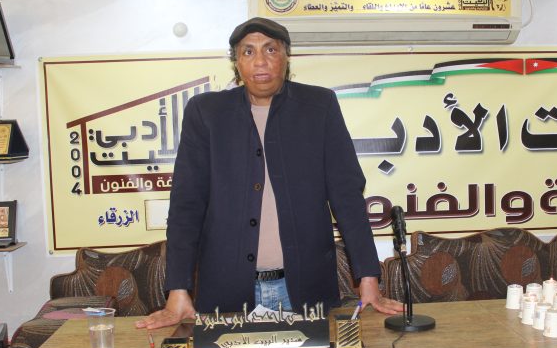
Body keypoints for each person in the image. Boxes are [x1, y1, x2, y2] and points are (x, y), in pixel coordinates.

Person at [137, 17, 403, 330]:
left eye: (270, 49)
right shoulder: (206, 112)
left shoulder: (319, 106)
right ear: (237, 63)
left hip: (306, 289)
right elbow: (186, 206)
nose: (260, 61)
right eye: (248, 52)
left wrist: (369, 280)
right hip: (226, 289)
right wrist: (178, 289)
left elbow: (347, 196)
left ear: (286, 57)